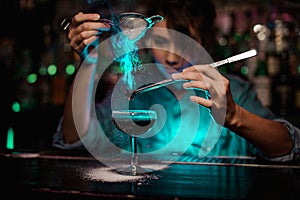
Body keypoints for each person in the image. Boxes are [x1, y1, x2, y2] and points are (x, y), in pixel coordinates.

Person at [53, 0, 300, 162]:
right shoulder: (137, 94)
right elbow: (76, 139)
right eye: (161, 43)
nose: (171, 57)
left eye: (182, 42)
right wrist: (90, 61)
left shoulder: (233, 89)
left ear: (203, 39)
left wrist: (236, 117)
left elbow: (288, 147)